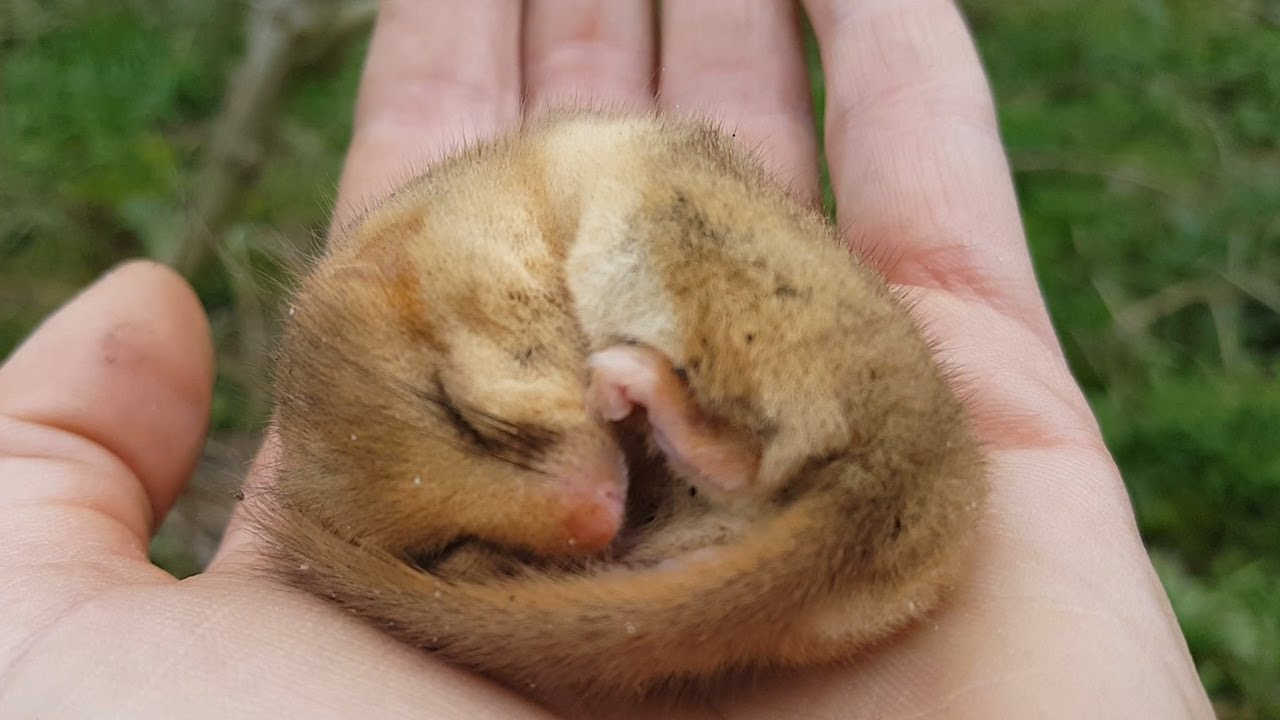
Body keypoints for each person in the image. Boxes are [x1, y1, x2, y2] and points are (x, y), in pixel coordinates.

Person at [0, 2, 1214, 717]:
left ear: (403, 294)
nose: (579, 518)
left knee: (631, 176)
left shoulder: (435, 248)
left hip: (845, 491)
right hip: (846, 593)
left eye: (496, 429)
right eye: (453, 542)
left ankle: (724, 437)